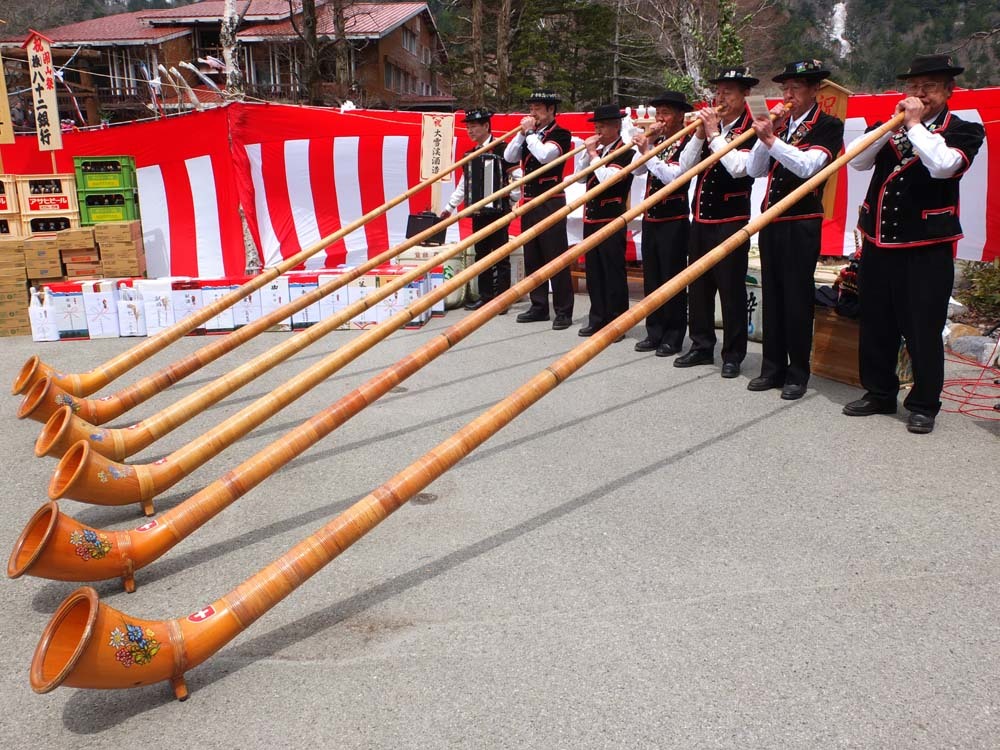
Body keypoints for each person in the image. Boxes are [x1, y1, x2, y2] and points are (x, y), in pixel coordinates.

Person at [843, 54, 984, 434]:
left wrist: (915, 125)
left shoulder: (965, 129)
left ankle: (923, 403)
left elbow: (943, 166)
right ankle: (879, 392)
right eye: (914, 87)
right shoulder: (892, 125)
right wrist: (891, 129)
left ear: (948, 91)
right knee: (876, 322)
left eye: (930, 87)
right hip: (878, 241)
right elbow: (856, 163)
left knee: (922, 327)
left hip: (926, 246)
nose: (919, 94)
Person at [746, 60, 844, 400]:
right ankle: (771, 368)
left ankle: (798, 372)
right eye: (785, 89)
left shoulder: (828, 125)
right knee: (772, 295)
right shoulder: (782, 126)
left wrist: (772, 139)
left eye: (796, 89)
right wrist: (764, 136)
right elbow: (754, 169)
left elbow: (808, 167)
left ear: (815, 90)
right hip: (771, 220)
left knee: (797, 298)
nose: (789, 96)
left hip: (802, 222)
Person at [675, 66, 759, 378]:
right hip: (701, 219)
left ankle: (733, 353)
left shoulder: (751, 126)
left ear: (744, 95)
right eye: (718, 92)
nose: (721, 98)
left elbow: (739, 168)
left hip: (731, 220)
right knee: (698, 286)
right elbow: (685, 169)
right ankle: (700, 345)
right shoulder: (712, 128)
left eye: (728, 92)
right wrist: (699, 134)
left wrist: (713, 133)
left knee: (730, 289)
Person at [503, 91, 575, 330]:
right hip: (529, 200)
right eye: (531, 108)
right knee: (532, 255)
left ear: (551, 110)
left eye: (538, 109)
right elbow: (508, 156)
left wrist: (531, 134)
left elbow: (545, 157)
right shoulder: (529, 135)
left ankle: (563, 310)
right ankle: (538, 305)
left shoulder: (562, 134)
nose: (532, 113)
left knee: (556, 255)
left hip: (551, 200)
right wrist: (521, 135)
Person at [631, 90, 694, 357]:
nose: (661, 119)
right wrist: (646, 144)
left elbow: (673, 177)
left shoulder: (689, 142)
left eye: (666, 113)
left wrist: (649, 152)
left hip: (674, 219)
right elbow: (636, 170)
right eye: (658, 114)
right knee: (652, 277)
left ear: (680, 116)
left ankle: (674, 335)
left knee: (672, 279)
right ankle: (654, 330)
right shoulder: (658, 141)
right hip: (651, 217)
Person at [441, 108, 517, 312]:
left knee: (501, 254)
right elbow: (465, 183)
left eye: (474, 126)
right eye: (468, 127)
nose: (470, 131)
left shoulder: (503, 149)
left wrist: (512, 200)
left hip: (500, 209)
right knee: (481, 253)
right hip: (478, 210)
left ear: (486, 126)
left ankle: (502, 299)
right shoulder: (471, 154)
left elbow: (517, 176)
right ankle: (485, 296)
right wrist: (450, 207)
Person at [574, 104, 636, 340]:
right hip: (591, 217)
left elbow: (608, 180)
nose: (597, 128)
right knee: (594, 271)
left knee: (613, 272)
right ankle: (597, 317)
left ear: (616, 126)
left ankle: (616, 322)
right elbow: (580, 178)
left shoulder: (625, 150)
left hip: (611, 218)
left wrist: (593, 155)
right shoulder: (598, 151)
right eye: (596, 125)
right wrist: (586, 153)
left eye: (602, 125)